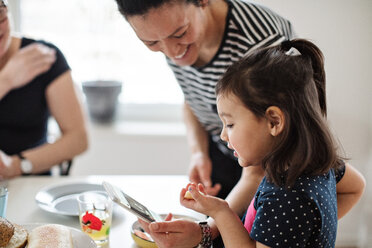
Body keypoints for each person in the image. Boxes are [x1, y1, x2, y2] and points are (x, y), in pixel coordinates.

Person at [142, 39, 366, 247]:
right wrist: (307, 231)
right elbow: (356, 188)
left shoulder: (286, 197)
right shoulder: (317, 164)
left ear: (274, 121)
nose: (223, 135)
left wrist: (221, 213)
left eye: (230, 124)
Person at [114, 0, 295, 246]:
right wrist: (199, 152)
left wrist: (208, 228)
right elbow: (193, 99)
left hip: (267, 169)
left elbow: (260, 167)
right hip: (230, 154)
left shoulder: (260, 44)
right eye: (151, 43)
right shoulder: (170, 34)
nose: (171, 52)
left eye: (180, 34)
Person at [0, 0, 88, 178]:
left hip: (31, 181)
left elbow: (78, 139)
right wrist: (6, 80)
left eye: (0, 14)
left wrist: (17, 166)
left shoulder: (42, 57)